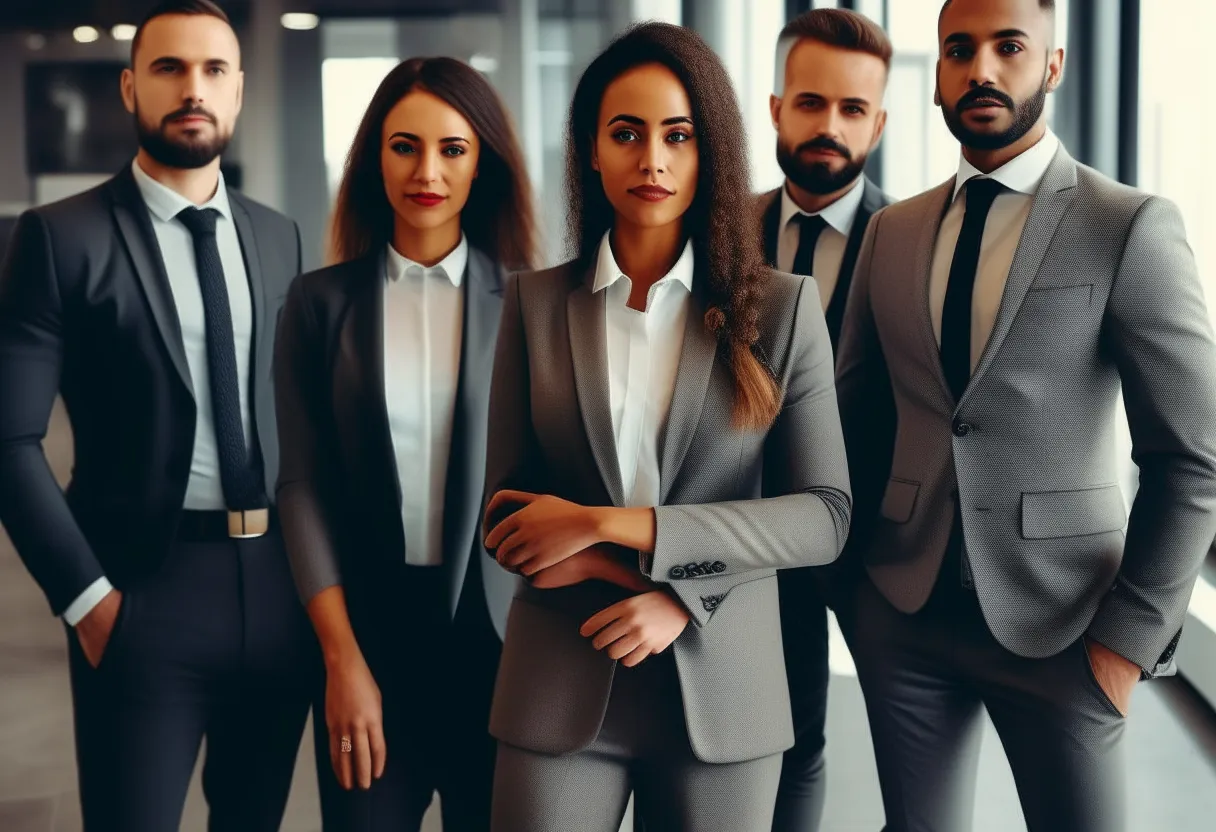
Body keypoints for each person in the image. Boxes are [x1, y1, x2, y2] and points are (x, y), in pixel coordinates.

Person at [834, 1, 1216, 830]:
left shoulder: (1128, 224)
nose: (982, 70)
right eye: (958, 50)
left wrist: (1126, 646)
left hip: (1067, 624)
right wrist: (851, 589)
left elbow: (1193, 456)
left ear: (1052, 65)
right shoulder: (891, 231)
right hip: (901, 612)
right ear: (935, 74)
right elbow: (852, 418)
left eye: (1010, 47)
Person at [480, 21, 852, 832]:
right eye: (627, 133)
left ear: (706, 150)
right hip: (557, 686)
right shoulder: (534, 306)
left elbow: (823, 517)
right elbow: (508, 522)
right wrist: (644, 584)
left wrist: (605, 534)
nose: (652, 158)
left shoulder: (784, 310)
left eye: (677, 136)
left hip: (726, 689)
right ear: (591, 150)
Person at [0, 2, 315, 829]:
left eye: (214, 70)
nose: (193, 89)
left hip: (278, 590)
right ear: (131, 87)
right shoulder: (58, 238)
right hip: (144, 591)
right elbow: (11, 439)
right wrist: (88, 601)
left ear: (238, 91)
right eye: (170, 69)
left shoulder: (279, 237)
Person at [274, 56, 536, 831]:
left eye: (453, 148)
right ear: (373, 159)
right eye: (404, 146)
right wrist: (341, 660)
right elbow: (301, 487)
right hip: (367, 644)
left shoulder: (532, 302)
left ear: (482, 160)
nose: (428, 170)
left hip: (499, 654)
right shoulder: (317, 304)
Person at [759, 9, 893, 830]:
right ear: (776, 108)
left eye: (852, 110)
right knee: (785, 742)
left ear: (879, 122)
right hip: (749, 536)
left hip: (880, 545)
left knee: (912, 764)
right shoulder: (716, 234)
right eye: (811, 103)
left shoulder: (916, 239)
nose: (829, 127)